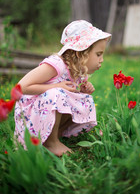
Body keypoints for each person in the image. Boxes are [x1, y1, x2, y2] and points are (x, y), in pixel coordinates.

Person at [14, 20, 112, 156]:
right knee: (57, 93)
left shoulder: (77, 70)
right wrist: (56, 86)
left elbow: (68, 98)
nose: (101, 59)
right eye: (98, 54)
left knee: (82, 98)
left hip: (45, 112)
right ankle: (50, 142)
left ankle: (58, 134)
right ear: (80, 53)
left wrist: (81, 92)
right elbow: (21, 87)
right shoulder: (57, 64)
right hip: (30, 116)